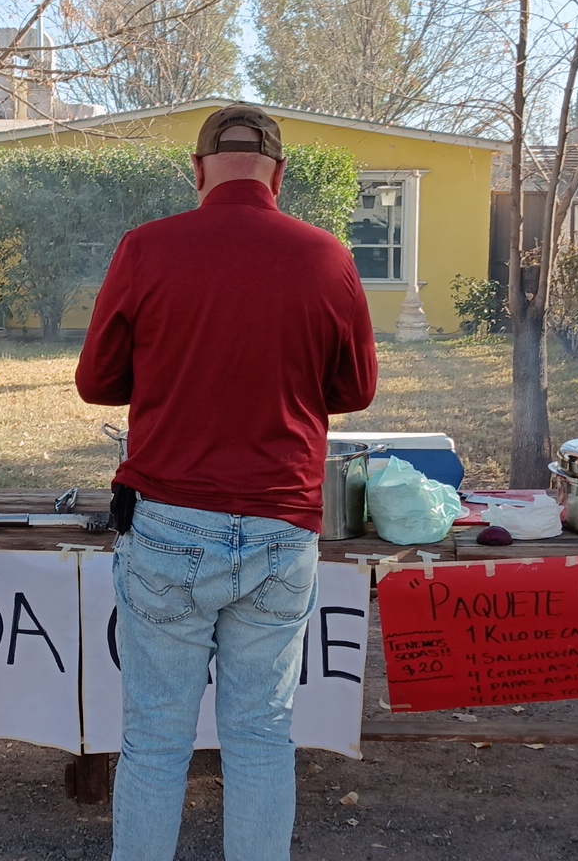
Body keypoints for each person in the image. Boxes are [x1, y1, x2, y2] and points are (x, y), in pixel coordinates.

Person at [75, 104, 378, 861]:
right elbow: (356, 388)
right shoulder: (327, 257)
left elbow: (96, 381)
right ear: (278, 172)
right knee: (262, 739)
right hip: (281, 528)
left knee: (153, 743)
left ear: (199, 169)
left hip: (170, 521)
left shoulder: (147, 248)